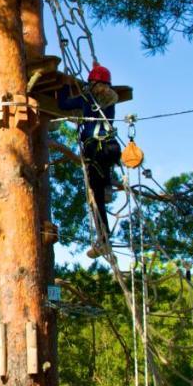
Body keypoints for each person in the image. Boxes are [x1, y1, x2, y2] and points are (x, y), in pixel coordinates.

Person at [56, 62, 121, 255]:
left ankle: (104, 237)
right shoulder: (112, 98)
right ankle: (108, 184)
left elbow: (63, 104)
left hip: (95, 149)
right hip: (111, 147)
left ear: (92, 82)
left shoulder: (87, 98)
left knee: (96, 196)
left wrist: (64, 87)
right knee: (102, 181)